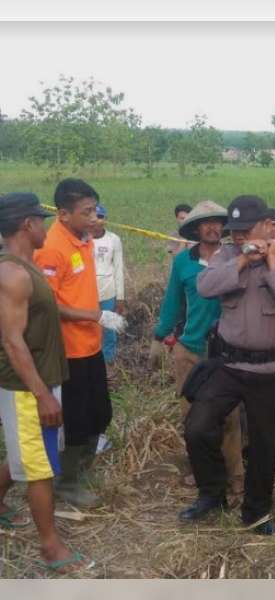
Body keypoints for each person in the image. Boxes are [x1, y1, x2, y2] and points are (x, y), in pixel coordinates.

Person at [180, 196, 275, 535]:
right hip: (228, 364)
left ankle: (256, 513)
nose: (237, 237)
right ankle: (211, 495)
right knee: (198, 426)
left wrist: (271, 262)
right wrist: (240, 263)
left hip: (269, 370)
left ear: (266, 226)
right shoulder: (225, 256)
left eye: (245, 230)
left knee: (266, 443)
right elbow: (205, 287)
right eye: (233, 230)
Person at [0, 192, 94, 573]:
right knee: (39, 469)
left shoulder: (28, 265)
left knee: (28, 451)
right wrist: (42, 395)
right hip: (27, 388)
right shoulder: (12, 273)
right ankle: (50, 547)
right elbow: (11, 340)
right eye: (40, 220)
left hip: (40, 381)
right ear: (27, 225)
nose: (45, 226)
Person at [34, 179, 126, 509]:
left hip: (90, 346)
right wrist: (95, 315)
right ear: (62, 214)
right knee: (75, 421)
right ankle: (66, 484)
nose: (93, 217)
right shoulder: (51, 247)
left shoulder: (83, 239)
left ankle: (80, 471)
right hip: (67, 351)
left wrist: (97, 320)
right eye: (86, 212)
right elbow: (48, 304)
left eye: (95, 210)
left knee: (100, 414)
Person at [148, 200, 244, 494]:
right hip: (190, 349)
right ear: (195, 229)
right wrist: (159, 336)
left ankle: (236, 476)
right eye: (206, 223)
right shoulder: (183, 262)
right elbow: (172, 303)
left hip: (227, 352)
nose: (214, 228)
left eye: (218, 222)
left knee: (229, 417)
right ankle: (203, 471)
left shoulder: (235, 258)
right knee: (191, 417)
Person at [92, 203, 125, 366]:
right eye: (94, 216)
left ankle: (108, 362)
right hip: (88, 293)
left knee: (109, 329)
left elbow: (118, 268)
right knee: (90, 329)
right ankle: (92, 361)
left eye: (101, 217)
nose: (97, 221)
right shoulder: (82, 240)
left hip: (108, 292)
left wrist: (120, 297)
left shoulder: (113, 240)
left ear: (105, 219)